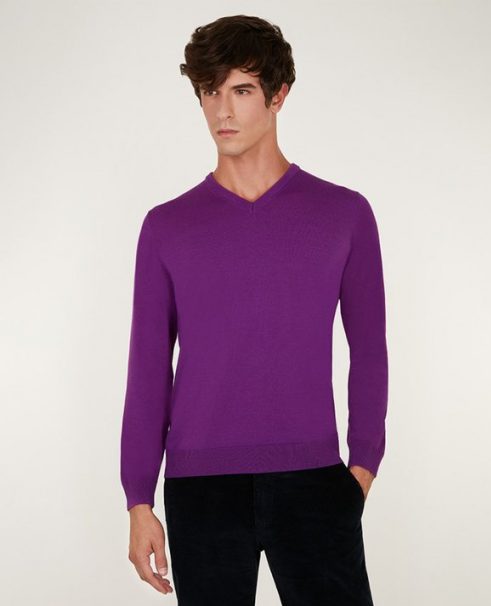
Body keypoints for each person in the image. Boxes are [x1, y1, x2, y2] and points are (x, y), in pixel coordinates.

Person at [120, 14, 388, 606]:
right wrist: (138, 499)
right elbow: (148, 368)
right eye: (210, 91)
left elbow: (369, 352)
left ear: (278, 95)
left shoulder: (344, 215)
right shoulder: (166, 227)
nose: (223, 110)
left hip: (316, 482)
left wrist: (361, 469)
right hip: (200, 489)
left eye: (241, 90)